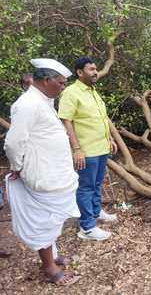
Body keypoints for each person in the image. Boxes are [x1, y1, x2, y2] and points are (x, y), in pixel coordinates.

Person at [4, 58, 80, 285]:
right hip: (42, 175)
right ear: (46, 81)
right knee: (43, 221)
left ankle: (53, 256)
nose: (63, 87)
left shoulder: (43, 101)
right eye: (61, 83)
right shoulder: (27, 104)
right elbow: (13, 143)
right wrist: (17, 167)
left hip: (55, 173)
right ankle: (49, 267)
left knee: (53, 219)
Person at [58, 57, 118, 241]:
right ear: (79, 72)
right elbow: (66, 120)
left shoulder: (93, 92)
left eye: (96, 68)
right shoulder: (71, 93)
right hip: (86, 150)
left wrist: (110, 139)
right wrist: (76, 148)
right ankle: (87, 227)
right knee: (86, 187)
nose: (95, 72)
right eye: (91, 69)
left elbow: (100, 118)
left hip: (101, 147)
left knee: (97, 183)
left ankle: (95, 211)